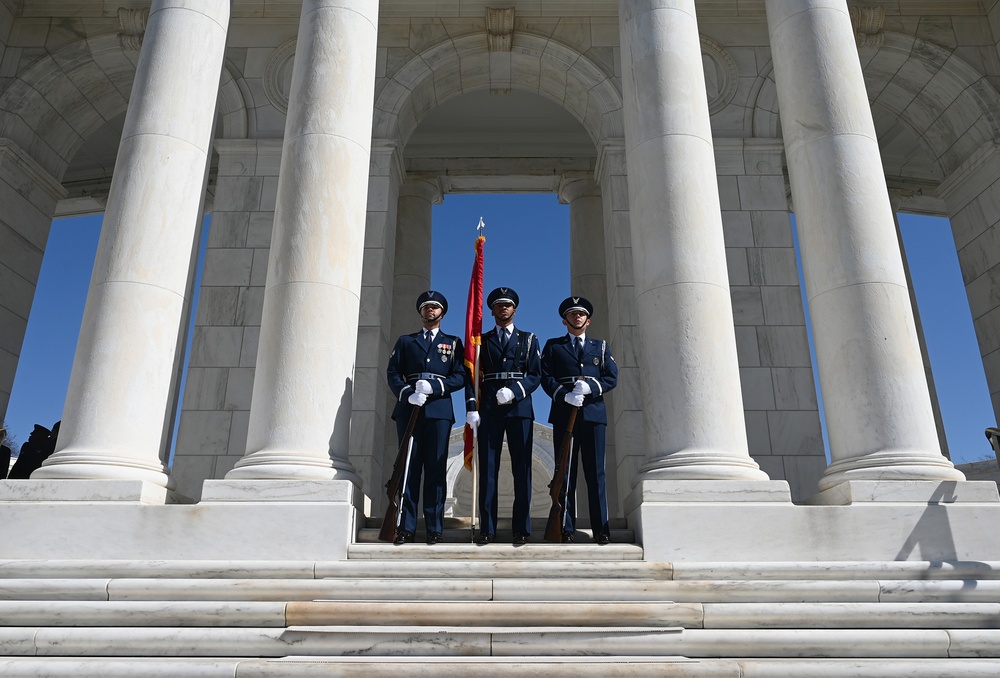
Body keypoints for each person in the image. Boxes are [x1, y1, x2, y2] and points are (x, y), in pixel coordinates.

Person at [386, 291, 466, 545]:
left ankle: (434, 527)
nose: (429, 311)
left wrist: (436, 388)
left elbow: (461, 376)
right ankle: (405, 527)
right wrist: (407, 394)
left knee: (436, 469)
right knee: (408, 468)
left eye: (434, 308)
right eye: (426, 308)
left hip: (439, 411)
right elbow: (393, 373)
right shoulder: (406, 341)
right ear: (420, 313)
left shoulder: (452, 343)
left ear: (442, 313)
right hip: (410, 409)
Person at [465, 287, 541, 545]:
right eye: (498, 305)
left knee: (522, 469)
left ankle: (521, 528)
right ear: (492, 310)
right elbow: (472, 375)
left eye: (507, 305)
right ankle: (487, 528)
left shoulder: (528, 339)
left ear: (514, 310)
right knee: (488, 469)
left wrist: (515, 391)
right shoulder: (481, 341)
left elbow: (535, 374)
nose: (503, 309)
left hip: (519, 407)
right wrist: (472, 406)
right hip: (489, 407)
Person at [540, 297, 618, 544]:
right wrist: (564, 395)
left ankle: (601, 529)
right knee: (566, 473)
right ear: (565, 320)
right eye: (572, 314)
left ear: (588, 320)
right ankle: (566, 527)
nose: (577, 317)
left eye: (581, 314)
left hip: (593, 415)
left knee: (596, 475)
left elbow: (611, 377)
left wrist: (591, 387)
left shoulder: (601, 347)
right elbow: (545, 377)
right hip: (565, 415)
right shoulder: (553, 347)